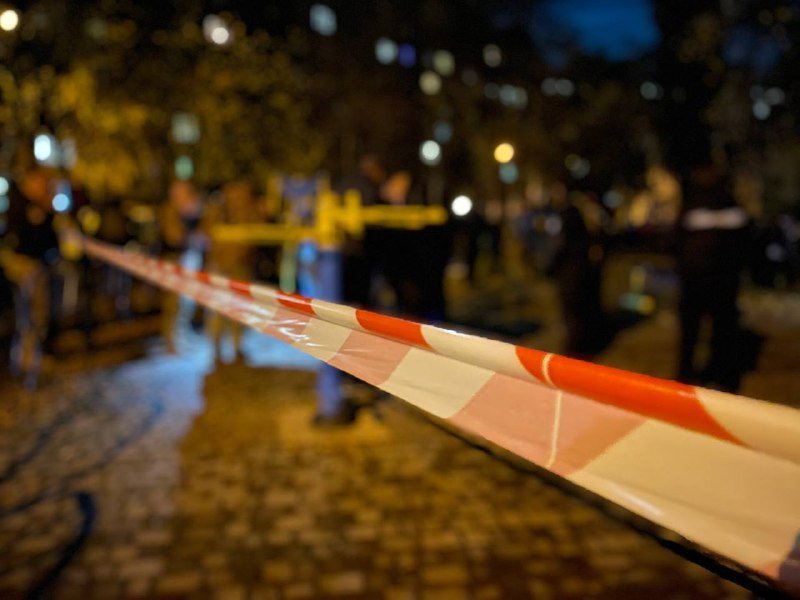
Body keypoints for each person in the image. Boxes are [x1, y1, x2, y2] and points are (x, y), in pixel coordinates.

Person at [676, 164, 748, 391]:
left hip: (696, 282)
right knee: (720, 333)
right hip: (722, 283)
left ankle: (686, 376)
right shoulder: (733, 210)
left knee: (691, 333)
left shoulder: (692, 208)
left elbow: (676, 242)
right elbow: (746, 244)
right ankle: (719, 377)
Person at [1, 168, 59, 388]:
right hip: (25, 268)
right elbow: (32, 238)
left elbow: (50, 240)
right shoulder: (22, 206)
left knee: (35, 317)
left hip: (35, 267)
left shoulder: (38, 206)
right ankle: (25, 364)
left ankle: (29, 362)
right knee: (30, 318)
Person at [204, 180, 258, 364]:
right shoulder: (218, 210)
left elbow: (251, 236)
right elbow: (209, 233)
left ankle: (235, 347)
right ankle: (217, 349)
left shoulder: (245, 211)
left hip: (237, 265)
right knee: (219, 309)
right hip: (221, 265)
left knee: (237, 308)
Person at [159, 180, 202, 353]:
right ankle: (172, 341)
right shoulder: (170, 210)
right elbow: (173, 236)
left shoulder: (192, 209)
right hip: (174, 261)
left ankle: (183, 336)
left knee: (187, 302)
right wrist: (191, 237)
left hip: (190, 259)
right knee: (173, 304)